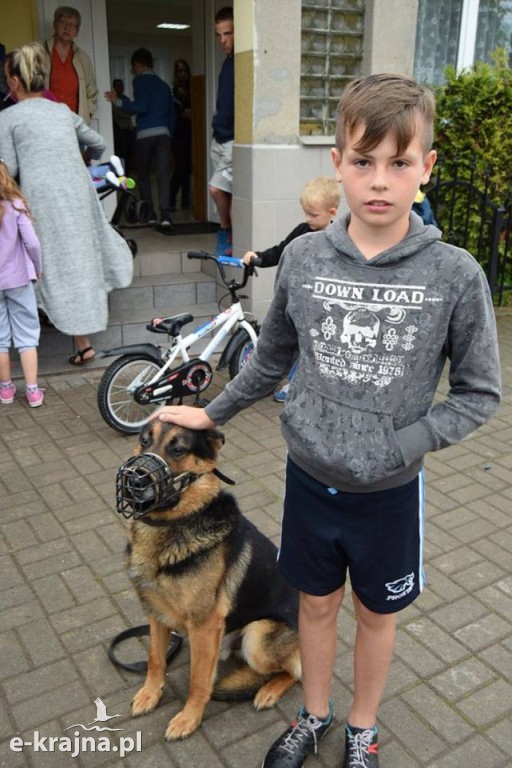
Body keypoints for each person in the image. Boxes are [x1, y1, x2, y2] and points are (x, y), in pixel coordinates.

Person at [149, 73, 501, 768]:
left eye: (399, 162)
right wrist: (212, 410)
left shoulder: (455, 275)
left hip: (389, 496)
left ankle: (362, 728)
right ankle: (312, 714)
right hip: (309, 484)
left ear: (425, 169)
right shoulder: (306, 259)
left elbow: (479, 394)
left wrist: (400, 443)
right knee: (313, 607)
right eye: (362, 161)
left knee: (376, 616)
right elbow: (272, 357)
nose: (379, 180)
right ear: (337, 164)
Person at [0, 42, 133, 366]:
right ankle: (83, 343)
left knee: (47, 265)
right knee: (76, 261)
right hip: (78, 193)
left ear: (15, 82)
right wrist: (85, 161)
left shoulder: (9, 117)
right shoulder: (61, 111)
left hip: (42, 199)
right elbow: (98, 143)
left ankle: (25, 347)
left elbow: (8, 169)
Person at [242, 175, 340, 402]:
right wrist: (259, 257)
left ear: (332, 213)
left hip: (323, 306)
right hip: (299, 302)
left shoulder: (338, 239)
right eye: (305, 213)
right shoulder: (302, 231)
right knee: (294, 344)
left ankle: (299, 385)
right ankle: (293, 381)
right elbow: (281, 251)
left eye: (314, 215)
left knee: (312, 348)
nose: (308, 219)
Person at [105, 48, 175, 228]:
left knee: (143, 174)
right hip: (164, 134)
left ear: (141, 65)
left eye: (133, 66)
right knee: (162, 175)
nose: (131, 70)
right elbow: (171, 115)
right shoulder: (164, 85)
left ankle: (149, 213)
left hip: (145, 134)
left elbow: (141, 107)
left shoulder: (140, 81)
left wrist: (117, 101)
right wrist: (168, 133)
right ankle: (166, 216)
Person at [0, 160, 44, 407]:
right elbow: (32, 243)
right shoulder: (16, 206)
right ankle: (32, 391)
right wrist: (37, 267)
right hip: (18, 279)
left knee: (0, 338)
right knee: (27, 336)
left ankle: (5, 391)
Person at [45, 5, 98, 123]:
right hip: (47, 124)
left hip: (75, 125)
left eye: (72, 25)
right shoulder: (40, 53)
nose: (67, 27)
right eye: (63, 22)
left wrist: (86, 114)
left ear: (77, 32)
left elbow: (92, 93)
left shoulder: (83, 59)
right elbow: (30, 89)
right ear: (55, 25)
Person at [210, 6, 234, 256]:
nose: (223, 41)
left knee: (216, 189)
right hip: (219, 136)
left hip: (233, 140)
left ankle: (224, 230)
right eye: (218, 35)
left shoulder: (242, 63)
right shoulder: (227, 64)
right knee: (227, 192)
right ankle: (230, 237)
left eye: (228, 34)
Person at [170, 59, 192, 212]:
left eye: (185, 70)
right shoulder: (174, 92)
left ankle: (185, 202)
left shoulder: (193, 89)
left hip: (191, 133)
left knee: (188, 169)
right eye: (180, 71)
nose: (183, 74)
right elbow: (181, 113)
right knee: (180, 168)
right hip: (178, 133)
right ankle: (171, 201)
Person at [111, 78, 134, 172]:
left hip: (129, 129)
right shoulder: (112, 99)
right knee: (121, 153)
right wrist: (127, 112)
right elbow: (118, 112)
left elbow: (132, 111)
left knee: (130, 153)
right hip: (119, 130)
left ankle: (128, 172)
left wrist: (128, 112)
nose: (120, 87)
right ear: (114, 87)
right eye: (118, 85)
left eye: (122, 85)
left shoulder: (126, 99)